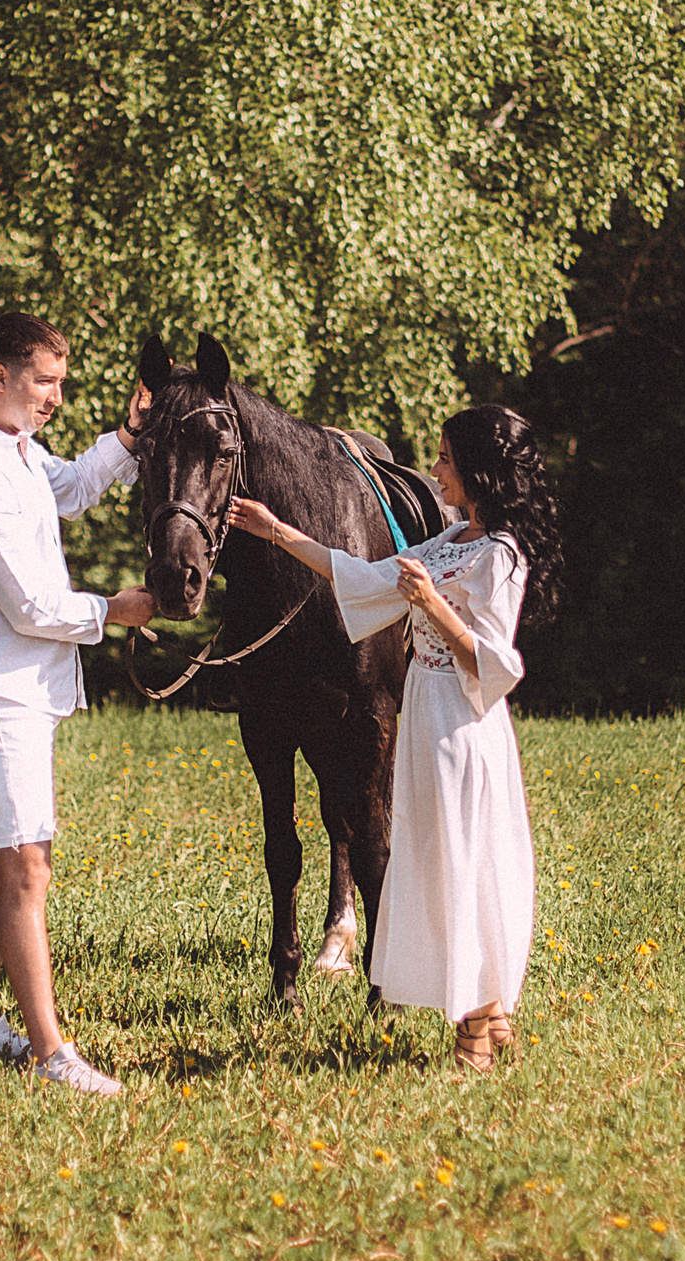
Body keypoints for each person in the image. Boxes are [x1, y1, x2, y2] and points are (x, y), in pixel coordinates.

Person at [227, 403, 560, 1070]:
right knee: (438, 861)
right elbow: (364, 576)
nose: (434, 470)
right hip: (426, 717)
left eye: (445, 460)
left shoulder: (500, 556)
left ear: (479, 471)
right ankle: (490, 1015)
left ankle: (474, 1025)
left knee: (463, 862)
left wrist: (432, 602)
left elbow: (494, 664)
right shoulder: (449, 542)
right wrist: (277, 532)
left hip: (464, 726)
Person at [0, 312, 156, 1096]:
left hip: (19, 690)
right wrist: (113, 612)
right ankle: (52, 1052)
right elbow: (26, 603)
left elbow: (75, 486)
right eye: (46, 380)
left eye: (60, 380)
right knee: (28, 865)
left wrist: (128, 436)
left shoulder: (13, 450)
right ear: (0, 376)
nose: (56, 395)